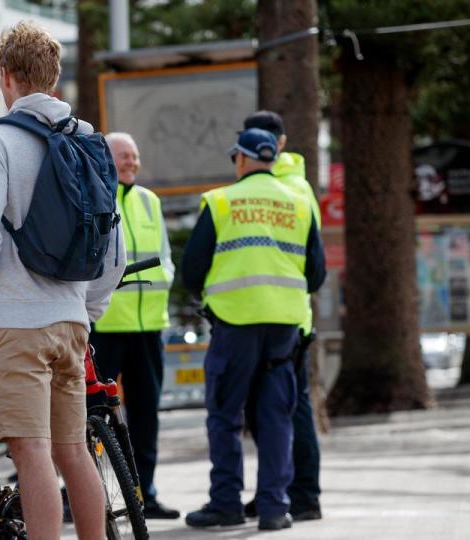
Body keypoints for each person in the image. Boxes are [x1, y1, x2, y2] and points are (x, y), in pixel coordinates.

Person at [0, 21, 126, 539]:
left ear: (5, 75)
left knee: (31, 452)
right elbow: (114, 254)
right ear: (54, 77)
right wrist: (87, 310)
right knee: (73, 450)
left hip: (18, 322)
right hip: (71, 323)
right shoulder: (88, 140)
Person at [180, 128, 326, 531]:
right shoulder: (299, 203)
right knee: (276, 415)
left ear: (241, 160)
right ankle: (275, 508)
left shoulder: (222, 201)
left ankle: (226, 503)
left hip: (235, 324)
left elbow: (192, 269)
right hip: (284, 328)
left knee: (225, 415)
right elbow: (316, 274)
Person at [88, 132, 179, 520]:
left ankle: (146, 493)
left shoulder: (149, 201)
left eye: (134, 156)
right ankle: (89, 494)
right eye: (123, 156)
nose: (131, 163)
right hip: (105, 326)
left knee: (145, 414)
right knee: (91, 416)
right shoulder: (95, 198)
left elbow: (164, 256)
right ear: (106, 159)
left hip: (147, 328)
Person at [241, 110, 323, 521]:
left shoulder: (291, 186)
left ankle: (303, 494)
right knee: (271, 410)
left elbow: (312, 260)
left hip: (284, 316)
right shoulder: (293, 185)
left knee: (291, 409)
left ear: (281, 143)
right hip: (278, 313)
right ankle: (278, 491)